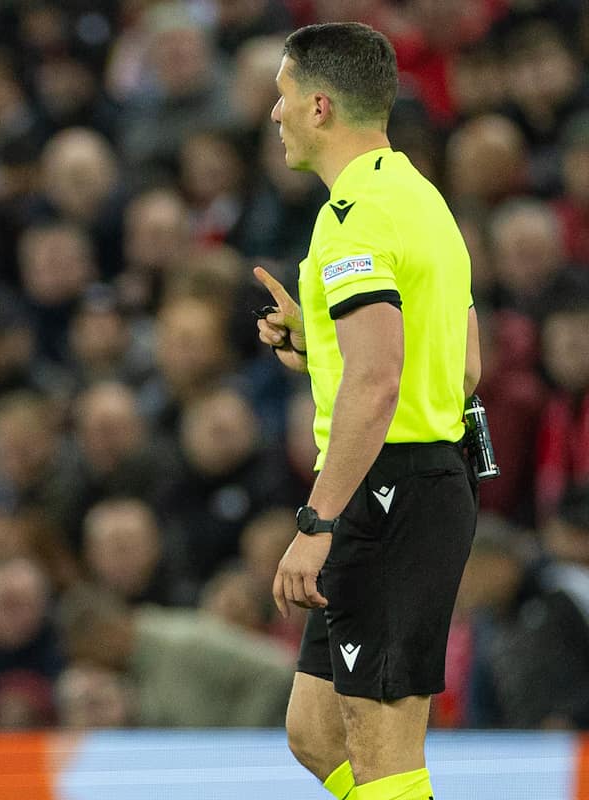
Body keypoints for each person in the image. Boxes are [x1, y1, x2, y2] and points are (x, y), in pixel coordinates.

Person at [254, 23, 480, 800]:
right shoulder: (421, 200)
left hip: (390, 491)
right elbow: (463, 367)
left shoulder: (353, 217)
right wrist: (319, 346)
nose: (273, 115)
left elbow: (379, 383)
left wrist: (316, 525)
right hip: (416, 482)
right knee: (315, 732)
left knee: (384, 755)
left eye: (281, 98)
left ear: (319, 106)